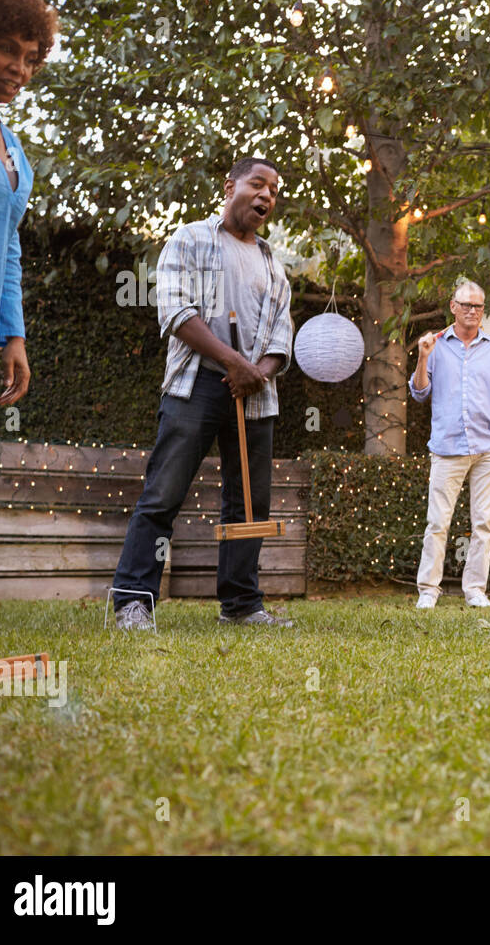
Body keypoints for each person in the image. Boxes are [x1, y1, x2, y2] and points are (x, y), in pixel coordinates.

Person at [112, 157, 294, 630]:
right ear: (230, 186)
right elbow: (175, 311)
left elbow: (281, 334)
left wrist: (257, 373)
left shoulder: (275, 262)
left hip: (256, 394)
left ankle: (241, 605)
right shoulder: (191, 238)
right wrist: (233, 363)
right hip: (195, 387)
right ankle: (133, 602)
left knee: (249, 503)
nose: (267, 196)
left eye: (274, 190)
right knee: (163, 495)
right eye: (258, 185)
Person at [0, 0, 58, 436]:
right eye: (7, 49)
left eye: (30, 58)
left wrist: (12, 336)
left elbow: (8, 243)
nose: (20, 68)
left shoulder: (12, 145)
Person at [409, 281, 490, 609]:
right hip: (447, 447)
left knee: (484, 523)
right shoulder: (436, 346)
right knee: (438, 522)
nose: (472, 311)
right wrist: (422, 358)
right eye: (466, 305)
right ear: (453, 307)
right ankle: (428, 590)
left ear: (483, 311)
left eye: (478, 306)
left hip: (489, 449)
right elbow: (419, 392)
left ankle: (475, 591)